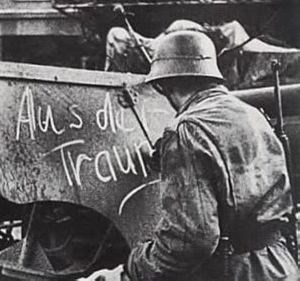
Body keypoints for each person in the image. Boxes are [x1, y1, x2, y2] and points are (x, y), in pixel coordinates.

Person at [87, 29, 299, 280]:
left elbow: (191, 241)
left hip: (235, 271)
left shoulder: (186, 130)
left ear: (163, 85)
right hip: (277, 265)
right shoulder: (253, 115)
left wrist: (129, 270)